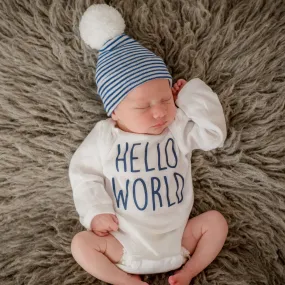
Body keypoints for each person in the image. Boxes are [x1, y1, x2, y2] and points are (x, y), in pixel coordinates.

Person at [69, 4, 228, 285]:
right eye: (143, 107)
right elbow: (83, 173)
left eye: (165, 100)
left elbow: (214, 135)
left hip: (179, 241)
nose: (159, 113)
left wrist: (191, 95)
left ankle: (188, 273)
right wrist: (95, 211)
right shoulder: (106, 136)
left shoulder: (176, 128)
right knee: (81, 244)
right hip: (124, 244)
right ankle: (126, 281)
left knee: (216, 222)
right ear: (114, 111)